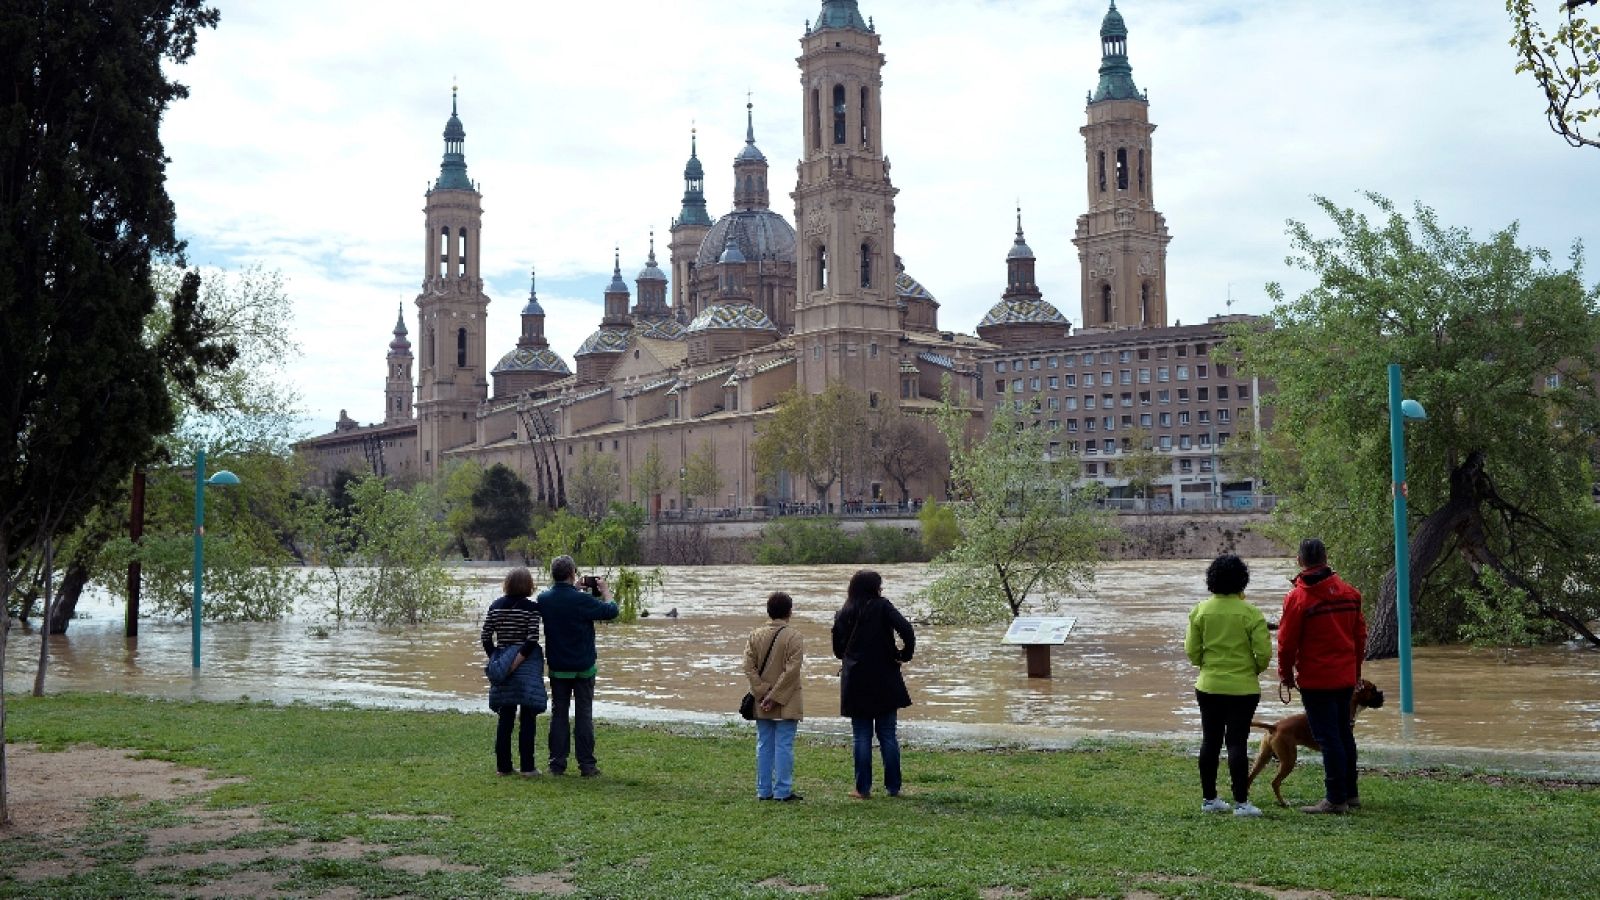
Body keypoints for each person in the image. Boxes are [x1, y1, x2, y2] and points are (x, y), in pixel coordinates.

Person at [1278, 538, 1369, 814]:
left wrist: (1285, 674)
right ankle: (1350, 794)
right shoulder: (1350, 594)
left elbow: (1286, 643)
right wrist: (1355, 672)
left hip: (1316, 680)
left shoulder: (1297, 598)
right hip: (1345, 677)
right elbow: (1360, 637)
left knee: (1329, 738)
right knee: (1344, 735)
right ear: (1326, 559)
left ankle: (1335, 799)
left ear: (1299, 561)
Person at [1185, 554, 1271, 816]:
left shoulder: (1200, 611)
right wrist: (1252, 670)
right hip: (1243, 688)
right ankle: (1242, 803)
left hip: (1208, 685)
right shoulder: (1251, 613)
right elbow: (1264, 653)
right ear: (1242, 581)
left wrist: (1206, 666)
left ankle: (1209, 799)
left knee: (1210, 741)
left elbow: (1192, 651)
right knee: (1237, 743)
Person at [832, 569, 915, 799]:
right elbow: (907, 630)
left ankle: (862, 788)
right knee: (888, 734)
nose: (882, 588)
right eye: (879, 585)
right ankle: (893, 787)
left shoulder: (843, 612)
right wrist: (903, 654)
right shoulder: (883, 606)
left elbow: (838, 650)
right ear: (874, 588)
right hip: (884, 676)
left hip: (855, 679)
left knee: (861, 735)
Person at [537, 555, 619, 777]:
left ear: (553, 574)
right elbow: (611, 611)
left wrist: (573, 588)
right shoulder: (582, 600)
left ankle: (557, 764)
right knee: (584, 715)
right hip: (583, 666)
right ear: (572, 573)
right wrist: (605, 591)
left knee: (559, 714)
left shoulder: (544, 599)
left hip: (558, 667)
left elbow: (560, 599)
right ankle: (587, 765)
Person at [480, 566, 547, 776]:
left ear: (507, 584)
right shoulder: (532, 608)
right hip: (526, 666)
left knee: (506, 716)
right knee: (528, 716)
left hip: (503, 665)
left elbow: (485, 637)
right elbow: (532, 639)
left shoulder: (495, 607)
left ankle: (503, 767)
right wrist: (517, 662)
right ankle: (528, 767)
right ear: (529, 585)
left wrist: (497, 658)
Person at [743, 591, 805, 802]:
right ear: (789, 612)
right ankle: (782, 790)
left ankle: (763, 790)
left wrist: (762, 692)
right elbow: (792, 670)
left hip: (761, 700)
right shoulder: (794, 636)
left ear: (768, 611)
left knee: (764, 744)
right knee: (784, 745)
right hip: (787, 699)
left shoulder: (755, 635)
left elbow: (748, 667)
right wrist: (775, 695)